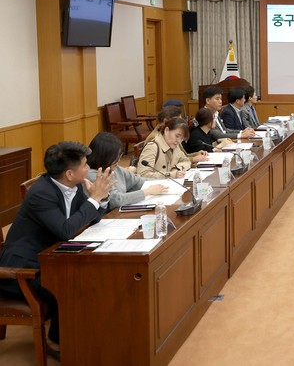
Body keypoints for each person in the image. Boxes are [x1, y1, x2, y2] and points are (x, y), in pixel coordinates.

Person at [0, 142, 114, 359]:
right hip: (23, 268)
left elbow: (91, 217)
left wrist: (100, 198)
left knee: (93, 277)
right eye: (84, 164)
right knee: (72, 286)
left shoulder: (72, 186)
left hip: (50, 257)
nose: (88, 168)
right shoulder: (41, 194)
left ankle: (86, 334)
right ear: (69, 173)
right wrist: (94, 199)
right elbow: (66, 229)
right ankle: (57, 341)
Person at [86, 132, 169, 209]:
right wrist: (148, 191)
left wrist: (166, 182)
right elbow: (116, 200)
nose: (119, 160)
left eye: (119, 156)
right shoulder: (92, 175)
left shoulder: (115, 169)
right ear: (105, 156)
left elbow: (137, 181)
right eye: (116, 157)